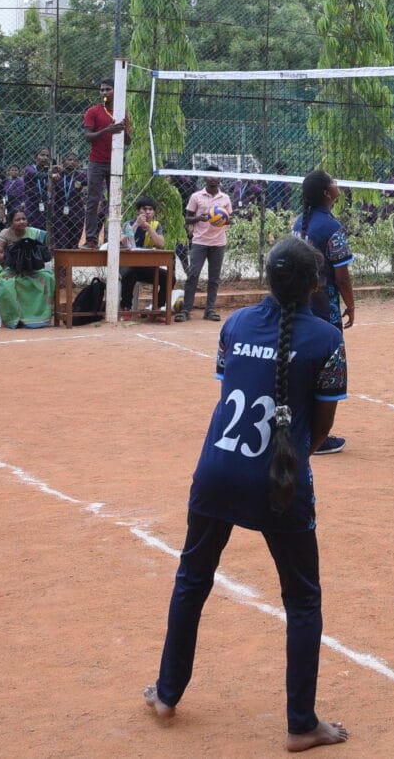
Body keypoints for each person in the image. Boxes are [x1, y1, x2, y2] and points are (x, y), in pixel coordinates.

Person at [143, 235, 349, 752]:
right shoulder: (326, 338)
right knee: (302, 598)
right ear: (314, 284)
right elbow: (322, 426)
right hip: (279, 480)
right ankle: (301, 724)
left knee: (192, 579)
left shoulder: (235, 325)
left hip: (216, 470)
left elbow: (231, 386)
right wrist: (293, 454)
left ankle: (166, 694)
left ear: (269, 278)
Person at [292, 171, 354, 456]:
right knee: (326, 372)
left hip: (298, 306)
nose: (337, 184)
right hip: (323, 310)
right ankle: (317, 436)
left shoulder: (299, 223)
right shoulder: (331, 228)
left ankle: (297, 428)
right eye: (334, 182)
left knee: (300, 367)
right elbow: (342, 277)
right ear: (327, 194)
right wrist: (350, 304)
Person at [80, 80, 131, 247]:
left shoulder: (121, 113)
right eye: (102, 90)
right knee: (93, 200)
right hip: (96, 162)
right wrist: (106, 130)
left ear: (116, 91)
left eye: (108, 89)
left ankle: (114, 237)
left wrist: (123, 130)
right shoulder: (93, 111)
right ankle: (91, 239)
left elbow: (128, 141)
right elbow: (88, 136)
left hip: (115, 162)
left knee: (115, 200)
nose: (104, 93)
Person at [181, 175, 234, 322]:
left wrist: (222, 219)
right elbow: (187, 218)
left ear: (220, 179)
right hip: (200, 241)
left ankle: (209, 310)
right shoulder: (196, 196)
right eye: (210, 176)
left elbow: (230, 219)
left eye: (216, 176)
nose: (213, 179)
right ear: (205, 178)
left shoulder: (225, 198)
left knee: (214, 278)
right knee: (193, 275)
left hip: (218, 242)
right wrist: (199, 218)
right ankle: (186, 310)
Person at [0, 207, 55, 329]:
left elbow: (45, 254)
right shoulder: (5, 234)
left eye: (24, 219)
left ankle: (39, 317)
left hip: (32, 269)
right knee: (6, 284)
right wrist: (17, 261)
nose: (21, 222)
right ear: (10, 223)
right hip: (10, 268)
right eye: (17, 220)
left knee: (47, 278)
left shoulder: (36, 233)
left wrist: (31, 262)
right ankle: (15, 318)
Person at [119, 197, 172, 319]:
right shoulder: (129, 224)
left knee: (169, 277)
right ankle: (126, 308)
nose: (148, 212)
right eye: (144, 209)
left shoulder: (156, 225)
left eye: (150, 209)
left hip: (147, 267)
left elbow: (161, 243)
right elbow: (124, 242)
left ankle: (157, 307)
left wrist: (149, 228)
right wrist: (136, 224)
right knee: (129, 273)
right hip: (129, 264)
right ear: (138, 211)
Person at [51, 153, 84, 248]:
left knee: (74, 242)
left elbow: (92, 184)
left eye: (75, 160)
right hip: (59, 212)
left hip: (76, 212)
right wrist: (52, 173)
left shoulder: (81, 176)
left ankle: (72, 255)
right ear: (63, 162)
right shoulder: (57, 176)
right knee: (62, 241)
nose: (72, 162)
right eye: (69, 159)